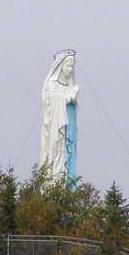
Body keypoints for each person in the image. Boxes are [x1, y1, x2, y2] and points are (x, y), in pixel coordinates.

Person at [40, 49, 79, 182]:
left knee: (67, 152)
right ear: (60, 65)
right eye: (67, 66)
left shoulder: (70, 85)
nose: (70, 69)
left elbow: (72, 104)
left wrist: (74, 101)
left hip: (69, 123)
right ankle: (54, 181)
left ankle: (65, 180)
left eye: (72, 67)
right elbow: (50, 99)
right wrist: (69, 98)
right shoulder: (52, 83)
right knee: (57, 153)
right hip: (57, 127)